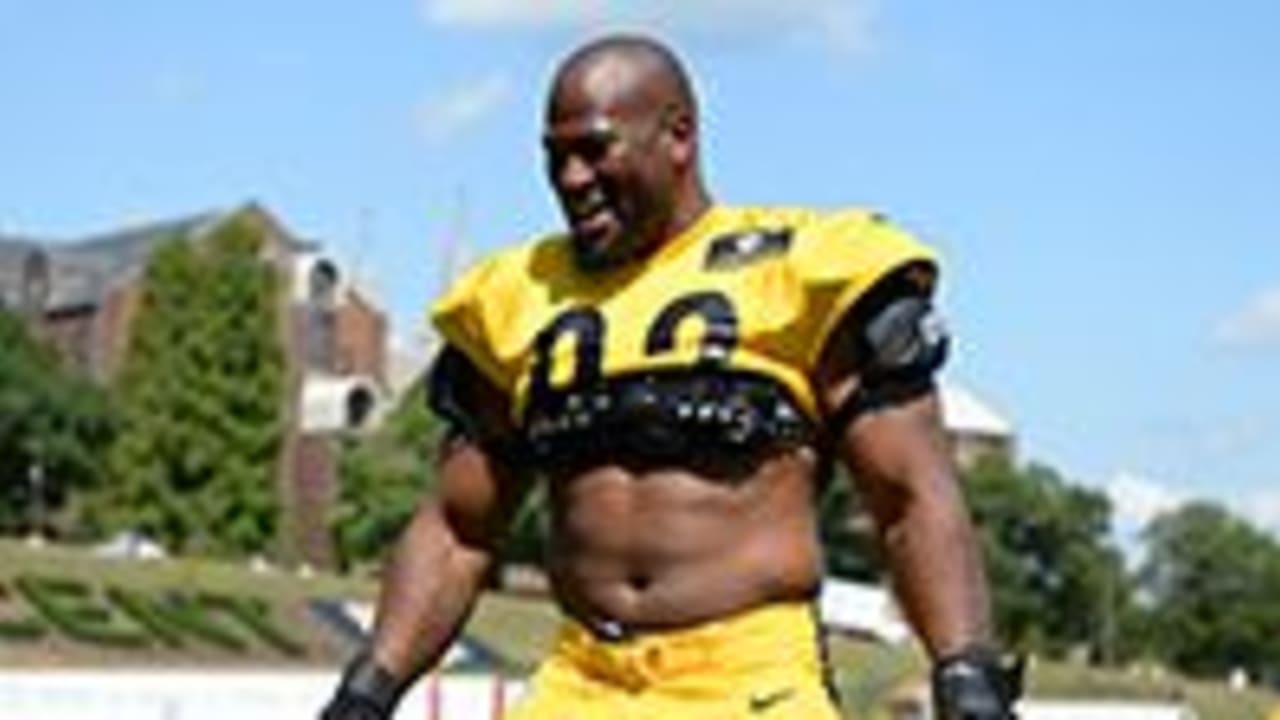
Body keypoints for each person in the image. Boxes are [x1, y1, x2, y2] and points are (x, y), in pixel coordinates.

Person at [321, 32, 1020, 720]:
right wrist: (365, 694)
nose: (571, 179)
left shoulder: (803, 269)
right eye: (555, 156)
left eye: (594, 149)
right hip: (582, 680)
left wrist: (967, 675)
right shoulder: (515, 298)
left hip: (748, 680)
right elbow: (456, 529)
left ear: (678, 137)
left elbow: (910, 494)